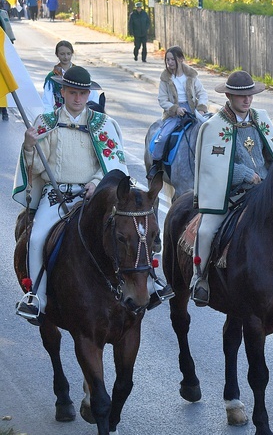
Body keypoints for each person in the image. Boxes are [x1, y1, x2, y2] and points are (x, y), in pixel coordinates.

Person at [12, 67, 172, 324]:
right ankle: (36, 297)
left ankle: (151, 284)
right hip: (57, 197)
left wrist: (97, 183)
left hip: (95, 197)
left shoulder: (105, 124)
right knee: (37, 238)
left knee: (135, 231)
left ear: (89, 94)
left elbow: (115, 164)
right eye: (72, 92)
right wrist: (30, 146)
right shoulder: (45, 123)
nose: (77, 98)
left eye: (83, 93)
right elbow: (38, 168)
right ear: (62, 91)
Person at [190, 70, 273, 306]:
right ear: (229, 96)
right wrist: (245, 174)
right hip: (230, 195)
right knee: (206, 231)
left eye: (250, 95)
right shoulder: (215, 126)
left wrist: (272, 179)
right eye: (242, 96)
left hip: (263, 192)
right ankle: (199, 279)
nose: (247, 100)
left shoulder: (261, 119)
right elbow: (212, 165)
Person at [147, 46, 208, 178]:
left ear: (180, 59)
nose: (169, 63)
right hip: (174, 113)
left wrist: (201, 108)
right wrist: (175, 109)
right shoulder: (165, 78)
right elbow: (162, 99)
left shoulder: (191, 76)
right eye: (167, 60)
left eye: (172, 59)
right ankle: (156, 164)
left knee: (209, 131)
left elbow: (202, 93)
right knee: (163, 136)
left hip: (193, 111)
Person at [42, 40, 101, 112]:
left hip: (79, 113)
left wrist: (90, 113)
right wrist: (51, 117)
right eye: (62, 54)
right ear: (57, 54)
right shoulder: (52, 77)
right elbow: (47, 101)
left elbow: (93, 97)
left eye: (68, 54)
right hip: (60, 114)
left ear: (72, 54)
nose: (66, 57)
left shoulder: (80, 74)